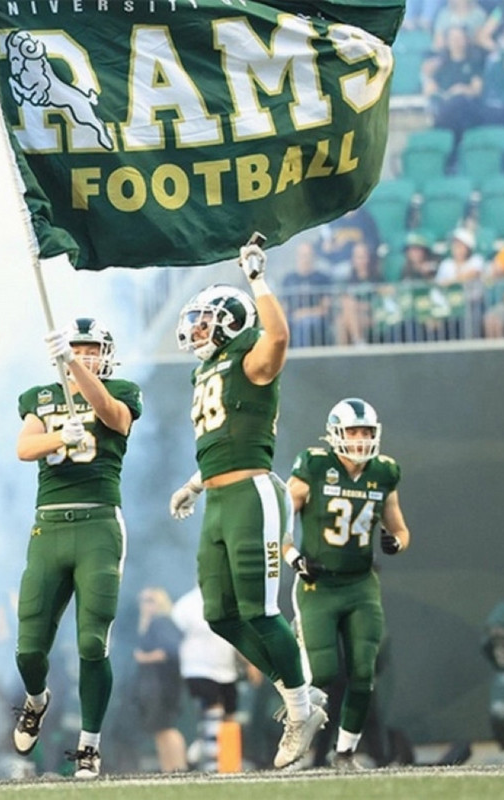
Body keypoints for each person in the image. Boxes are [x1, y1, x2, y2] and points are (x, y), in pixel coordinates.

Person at [168, 240, 328, 770]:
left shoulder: (253, 354)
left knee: (259, 611)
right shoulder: (205, 370)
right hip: (216, 497)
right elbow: (224, 437)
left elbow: (279, 334)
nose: (195, 327)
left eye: (205, 319)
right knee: (219, 615)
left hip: (253, 495)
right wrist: (194, 484)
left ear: (231, 323)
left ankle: (301, 707)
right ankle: (298, 693)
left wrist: (258, 278)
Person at [11, 317, 142, 780]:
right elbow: (25, 448)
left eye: (91, 350)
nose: (85, 356)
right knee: (28, 648)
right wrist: (57, 437)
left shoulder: (122, 389)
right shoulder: (41, 397)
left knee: (91, 641)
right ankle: (37, 700)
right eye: (76, 349)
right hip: (49, 527)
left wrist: (75, 369)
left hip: (98, 523)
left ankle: (89, 746)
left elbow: (110, 414)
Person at [285, 399, 414, 769]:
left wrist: (396, 542)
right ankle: (298, 733)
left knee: (363, 672)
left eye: (366, 432)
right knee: (324, 675)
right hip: (318, 584)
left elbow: (400, 528)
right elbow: (277, 520)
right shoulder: (314, 465)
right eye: (353, 431)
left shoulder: (384, 472)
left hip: (361, 585)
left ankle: (344, 754)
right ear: (335, 434)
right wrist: (294, 557)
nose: (360, 440)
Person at [170, 586, 241, 773]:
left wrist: (249, 664)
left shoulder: (230, 601)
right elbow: (173, 638)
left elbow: (239, 636)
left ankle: (208, 752)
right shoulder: (186, 605)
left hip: (226, 669)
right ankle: (214, 766)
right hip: (198, 668)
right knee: (213, 711)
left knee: (228, 717)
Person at [131, 588, 186, 773]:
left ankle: (178, 767)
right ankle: (168, 768)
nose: (145, 605)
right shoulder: (151, 625)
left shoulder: (162, 622)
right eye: (143, 600)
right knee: (159, 729)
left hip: (163, 684)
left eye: (150, 600)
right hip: (154, 685)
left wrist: (143, 657)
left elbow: (169, 651)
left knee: (167, 727)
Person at [280, 243, 333, 348]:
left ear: (314, 257)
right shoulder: (289, 279)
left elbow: (325, 308)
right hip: (292, 318)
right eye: (302, 255)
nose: (305, 259)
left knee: (305, 325)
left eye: (308, 255)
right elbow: (283, 307)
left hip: (316, 318)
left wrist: (303, 314)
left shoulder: (323, 279)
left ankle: (302, 357)